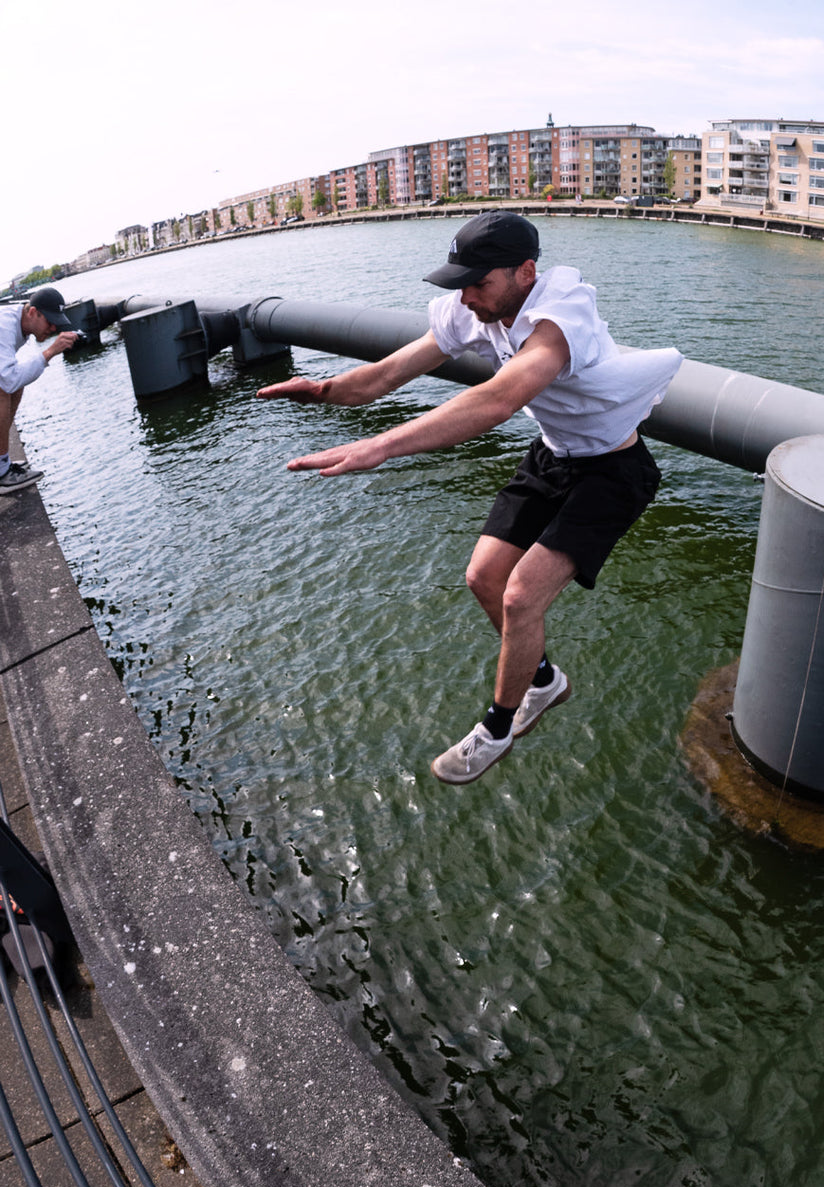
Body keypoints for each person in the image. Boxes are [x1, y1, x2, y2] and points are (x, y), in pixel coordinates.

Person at [257, 212, 682, 784]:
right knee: (483, 577)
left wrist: (380, 447)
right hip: (553, 455)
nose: (466, 295)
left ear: (525, 272)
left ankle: (497, 727)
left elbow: (498, 400)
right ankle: (543, 681)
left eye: (479, 282)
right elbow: (387, 375)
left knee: (520, 598)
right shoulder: (477, 308)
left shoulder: (560, 321)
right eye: (460, 282)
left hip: (613, 470)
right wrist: (325, 390)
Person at [0, 287, 78, 493]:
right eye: (50, 321)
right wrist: (51, 352)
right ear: (33, 312)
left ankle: (1, 461)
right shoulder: (4, 326)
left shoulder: (17, 323)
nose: (53, 328)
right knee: (3, 390)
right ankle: (1, 472)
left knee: (15, 387)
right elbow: (7, 380)